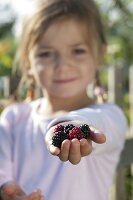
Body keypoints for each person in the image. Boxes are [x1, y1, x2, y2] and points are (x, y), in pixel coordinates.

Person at [0, 0, 128, 200]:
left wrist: (73, 125)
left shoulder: (111, 115)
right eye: (46, 53)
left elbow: (99, 124)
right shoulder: (13, 119)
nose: (63, 65)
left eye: (78, 51)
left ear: (99, 54)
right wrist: (5, 189)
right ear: (28, 61)